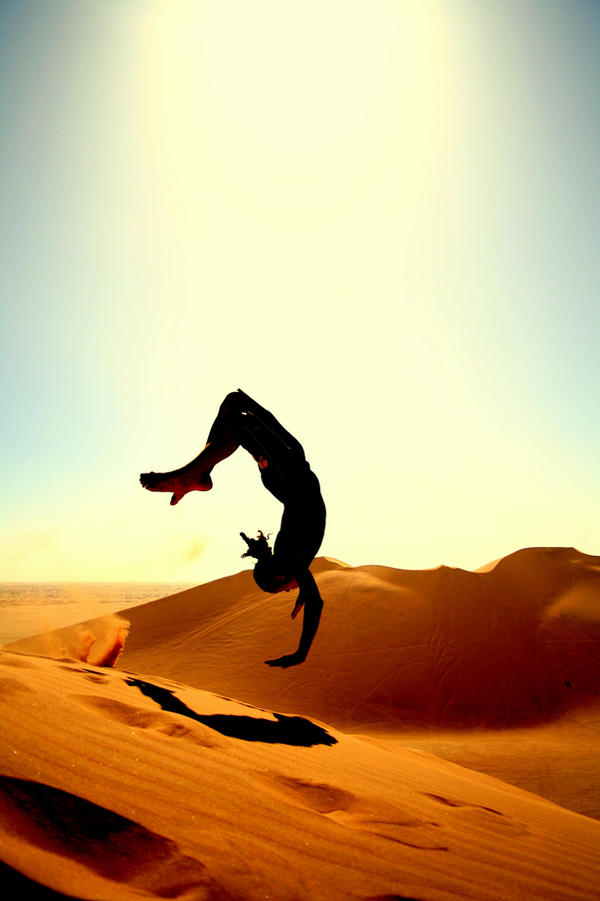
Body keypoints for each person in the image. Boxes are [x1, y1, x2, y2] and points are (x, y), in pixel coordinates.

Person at [140, 389, 326, 668]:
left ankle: (196, 476)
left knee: (237, 417)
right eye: (286, 591)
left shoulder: (292, 561)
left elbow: (315, 601)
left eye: (283, 591)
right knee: (235, 408)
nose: (288, 591)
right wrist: (303, 602)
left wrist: (301, 647)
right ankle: (196, 476)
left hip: (288, 472)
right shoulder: (292, 562)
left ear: (279, 575)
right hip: (290, 471)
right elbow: (315, 600)